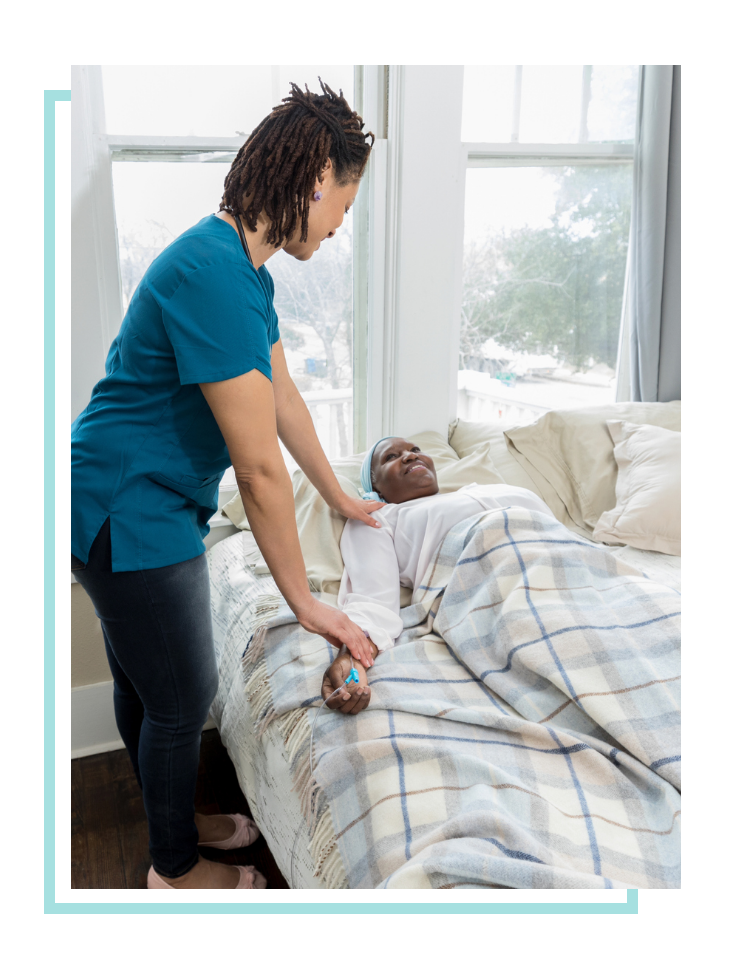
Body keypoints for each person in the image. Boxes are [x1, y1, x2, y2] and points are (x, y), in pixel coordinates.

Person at [71, 81, 383, 890]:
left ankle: (173, 821)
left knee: (150, 687)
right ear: (316, 179)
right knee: (180, 698)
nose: (340, 224)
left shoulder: (245, 273)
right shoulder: (211, 271)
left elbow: (284, 402)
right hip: (123, 506)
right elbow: (257, 467)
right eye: (343, 205)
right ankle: (173, 869)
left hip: (130, 498)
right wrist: (306, 603)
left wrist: (345, 495)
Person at [321, 437, 555, 713]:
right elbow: (373, 598)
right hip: (499, 579)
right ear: (375, 487)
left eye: (415, 450)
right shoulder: (379, 518)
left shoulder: (487, 489)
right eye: (391, 457)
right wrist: (353, 658)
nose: (410, 455)